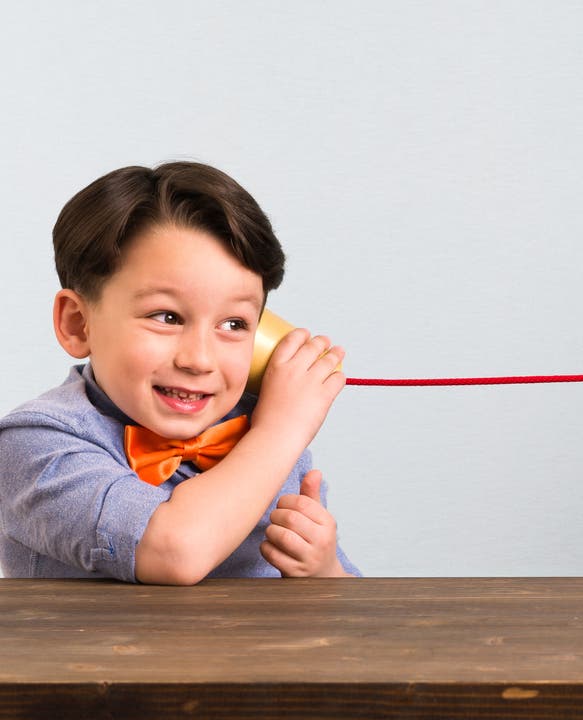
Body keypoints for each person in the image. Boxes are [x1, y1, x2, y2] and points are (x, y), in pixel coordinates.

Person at [0, 162, 359, 584]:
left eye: (234, 324)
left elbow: (349, 615)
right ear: (79, 324)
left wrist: (325, 572)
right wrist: (280, 429)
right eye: (167, 316)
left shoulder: (266, 433)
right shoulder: (34, 444)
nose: (199, 360)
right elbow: (175, 551)